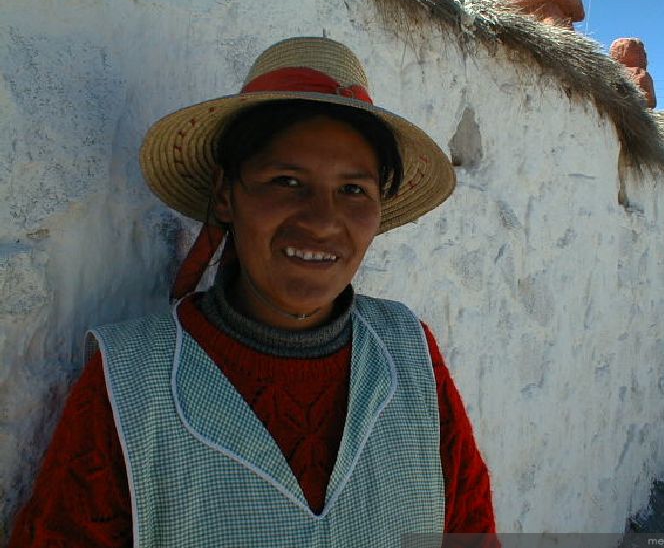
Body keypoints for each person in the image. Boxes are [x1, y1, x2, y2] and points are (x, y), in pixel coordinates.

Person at [10, 37, 498, 547]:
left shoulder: (408, 356)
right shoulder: (133, 381)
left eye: (353, 190)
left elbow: (471, 529)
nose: (322, 221)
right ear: (226, 194)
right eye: (286, 181)